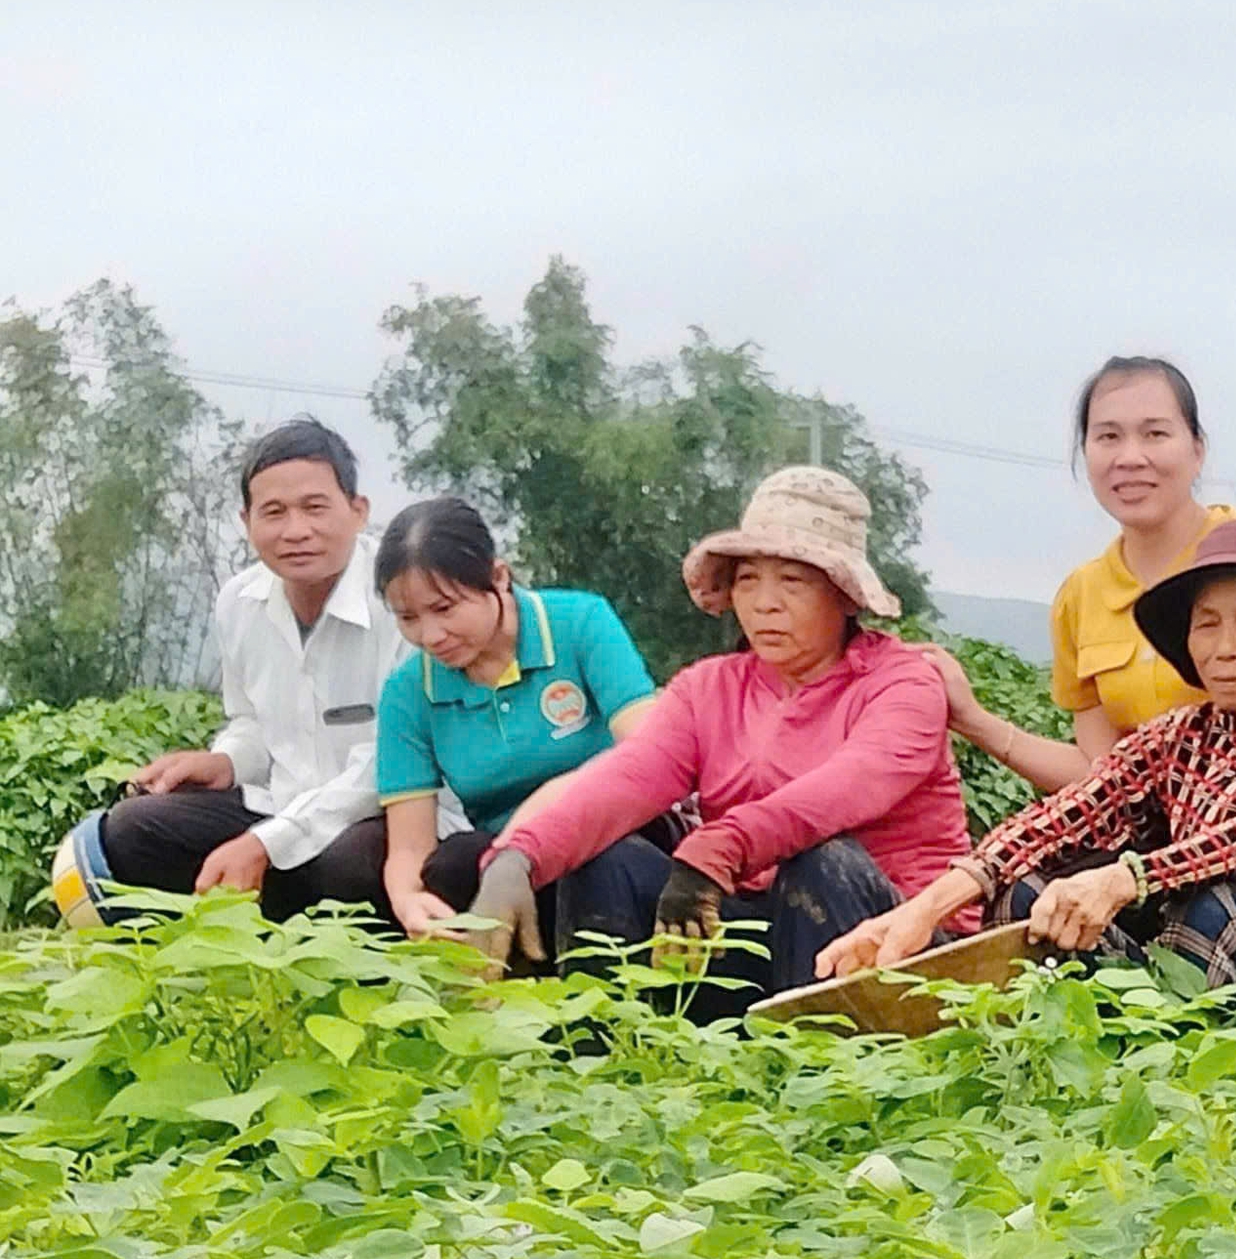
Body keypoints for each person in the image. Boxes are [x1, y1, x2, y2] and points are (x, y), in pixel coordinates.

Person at [462, 466, 975, 1017]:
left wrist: (720, 846)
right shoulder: (708, 689)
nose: (764, 603)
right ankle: (606, 1061)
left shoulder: (904, 684)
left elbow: (843, 790)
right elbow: (629, 777)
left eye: (793, 582)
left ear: (846, 597)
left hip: (901, 939)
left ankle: (815, 1077)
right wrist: (516, 859)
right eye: (749, 579)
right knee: (605, 857)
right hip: (762, 929)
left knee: (822, 861)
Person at [820, 517, 1236, 989]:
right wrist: (920, 912)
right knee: (1026, 889)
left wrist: (1125, 879)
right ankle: (1089, 1054)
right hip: (1187, 957)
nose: (1224, 649)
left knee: (1218, 907)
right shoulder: (1182, 733)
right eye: (1207, 625)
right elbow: (1072, 810)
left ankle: (1190, 1071)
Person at [57, 417, 403, 927]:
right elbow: (253, 724)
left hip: (380, 813)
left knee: (348, 865)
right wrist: (224, 763)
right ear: (247, 522)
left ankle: (299, 931)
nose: (296, 531)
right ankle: (260, 930)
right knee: (134, 828)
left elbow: (392, 763)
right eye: (274, 512)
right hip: (277, 805)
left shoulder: (398, 599)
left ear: (358, 511)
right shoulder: (239, 601)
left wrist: (265, 843)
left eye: (315, 507)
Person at [921, 356, 1236, 790]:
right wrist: (975, 721)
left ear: (1197, 450)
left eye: (1155, 434)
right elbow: (1100, 777)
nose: (1130, 458)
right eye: (1108, 436)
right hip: (1145, 848)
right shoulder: (1081, 596)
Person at [372, 498, 662, 953]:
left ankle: (602, 1015)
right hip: (497, 856)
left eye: (445, 608)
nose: (430, 636)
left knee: (601, 860)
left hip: (613, 830)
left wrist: (536, 833)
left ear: (498, 577)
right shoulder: (408, 692)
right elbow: (409, 846)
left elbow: (649, 753)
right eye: (408, 618)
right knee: (452, 865)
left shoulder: (580, 623)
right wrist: (408, 901)